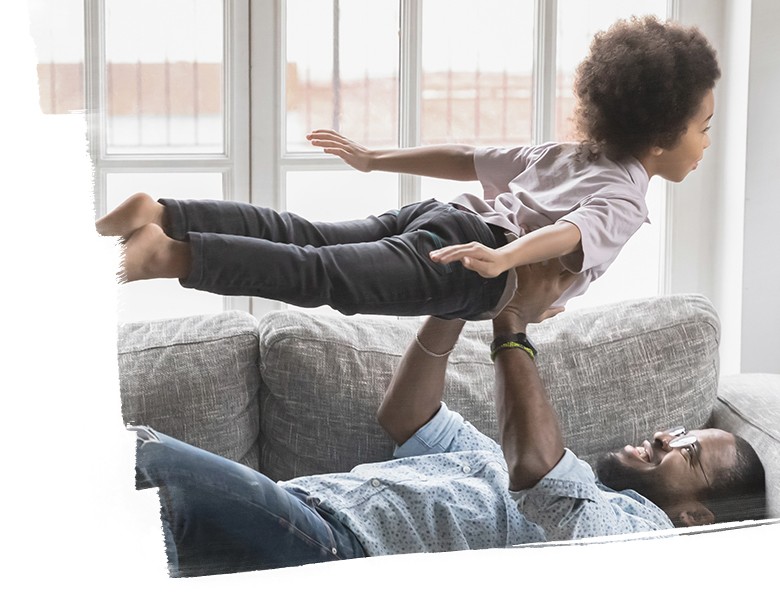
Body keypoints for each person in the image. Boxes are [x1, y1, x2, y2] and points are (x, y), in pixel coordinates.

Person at [132, 261, 765, 577]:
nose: (665, 434)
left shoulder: (630, 539)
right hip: (299, 508)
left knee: (140, 457)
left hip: (336, 549)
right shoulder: (509, 460)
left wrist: (511, 325)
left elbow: (541, 474)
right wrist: (458, 302)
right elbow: (407, 415)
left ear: (696, 515)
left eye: (689, 451)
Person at [96, 15, 720, 320]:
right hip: (473, 258)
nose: (706, 144)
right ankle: (167, 255)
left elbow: (465, 156)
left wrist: (374, 159)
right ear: (662, 135)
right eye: (703, 128)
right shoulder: (628, 198)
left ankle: (164, 213)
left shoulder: (572, 154)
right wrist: (505, 260)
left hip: (444, 216)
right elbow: (573, 235)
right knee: (322, 275)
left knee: (309, 238)